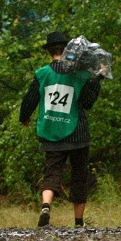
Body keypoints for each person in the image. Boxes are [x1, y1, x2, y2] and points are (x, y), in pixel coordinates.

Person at [19, 31, 102, 228]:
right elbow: (87, 103)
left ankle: (46, 206)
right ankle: (79, 222)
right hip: (78, 132)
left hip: (51, 132)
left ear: (49, 52)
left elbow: (30, 99)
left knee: (52, 172)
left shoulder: (42, 74)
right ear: (67, 50)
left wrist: (24, 118)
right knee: (79, 175)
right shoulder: (80, 74)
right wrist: (97, 80)